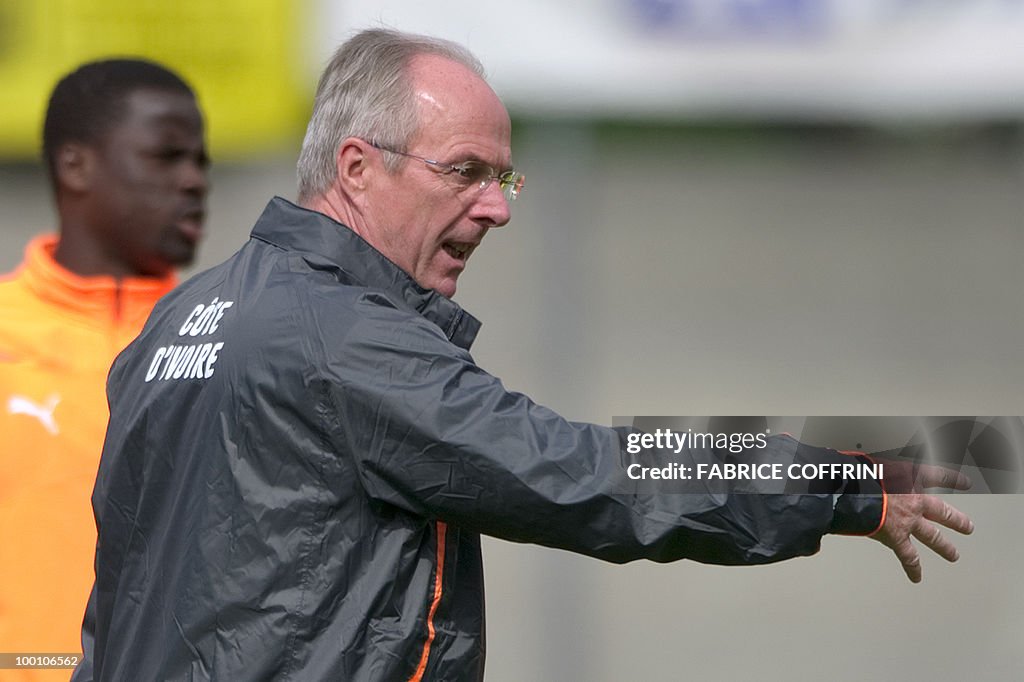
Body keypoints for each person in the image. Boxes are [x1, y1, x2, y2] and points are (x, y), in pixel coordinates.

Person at [73, 30, 972, 682]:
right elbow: (590, 474)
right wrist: (833, 482)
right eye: (466, 172)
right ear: (356, 168)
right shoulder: (345, 342)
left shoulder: (182, 320)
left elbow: (115, 615)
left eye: (505, 178)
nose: (498, 208)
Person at [0, 58, 208, 679]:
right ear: (76, 164)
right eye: (167, 157)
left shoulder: (229, 343)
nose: (195, 180)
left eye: (202, 161)